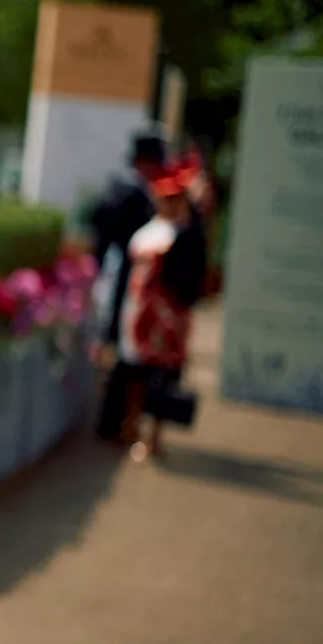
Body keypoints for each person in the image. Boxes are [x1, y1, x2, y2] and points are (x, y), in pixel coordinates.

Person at [116, 163, 205, 456]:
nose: (169, 203)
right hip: (140, 315)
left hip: (169, 320)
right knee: (136, 374)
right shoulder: (147, 232)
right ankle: (131, 429)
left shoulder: (188, 235)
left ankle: (153, 438)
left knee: (163, 378)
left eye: (174, 197)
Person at [92, 131, 166, 441]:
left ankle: (121, 421)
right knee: (123, 353)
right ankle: (113, 422)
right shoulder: (127, 194)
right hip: (125, 280)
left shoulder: (135, 192)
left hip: (136, 282)